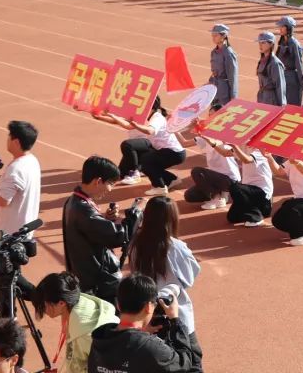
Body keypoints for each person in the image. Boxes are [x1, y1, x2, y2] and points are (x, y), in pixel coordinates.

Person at [127, 197, 203, 371]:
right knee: (192, 361)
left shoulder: (136, 245)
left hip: (149, 314)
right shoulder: (176, 246)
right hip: (176, 313)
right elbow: (190, 277)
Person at [61, 156, 136, 304]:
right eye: (110, 184)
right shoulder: (83, 209)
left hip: (86, 277)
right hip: (97, 284)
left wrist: (107, 220)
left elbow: (93, 231)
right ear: (98, 181)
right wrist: (135, 213)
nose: (110, 189)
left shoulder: (74, 201)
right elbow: (117, 236)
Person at [88, 273, 197, 373]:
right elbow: (184, 362)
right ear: (148, 307)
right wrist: (174, 320)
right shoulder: (151, 348)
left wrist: (138, 334)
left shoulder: (100, 339)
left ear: (118, 305)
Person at [0, 121, 41, 304]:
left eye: (9, 136)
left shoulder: (15, 169)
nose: (7, 139)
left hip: (5, 232)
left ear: (16, 141)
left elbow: (3, 201)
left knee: (2, 270)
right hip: (22, 228)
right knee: (5, 271)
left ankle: (38, 298)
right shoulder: (32, 160)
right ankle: (0, 304)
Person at [32, 272, 119, 373]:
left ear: (61, 303)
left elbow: (81, 368)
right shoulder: (77, 300)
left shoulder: (83, 333)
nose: (43, 310)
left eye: (44, 305)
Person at [97, 98, 186, 196]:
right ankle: (171, 179)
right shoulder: (148, 116)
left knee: (146, 161)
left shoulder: (157, 118)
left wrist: (136, 125)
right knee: (146, 161)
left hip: (173, 153)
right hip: (168, 151)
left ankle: (159, 187)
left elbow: (150, 131)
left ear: (151, 108)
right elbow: (127, 125)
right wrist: (106, 116)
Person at [275, 16, 303, 105]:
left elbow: (299, 64)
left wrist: (302, 83)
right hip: (282, 76)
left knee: (291, 104)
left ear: (288, 28)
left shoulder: (294, 44)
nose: (280, 28)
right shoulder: (282, 42)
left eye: (282, 26)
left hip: (291, 79)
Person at [207, 24, 238, 106]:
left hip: (224, 90)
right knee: (213, 110)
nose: (213, 38)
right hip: (214, 88)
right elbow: (214, 72)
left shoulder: (228, 53)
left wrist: (234, 96)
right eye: (212, 35)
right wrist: (209, 82)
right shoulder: (214, 52)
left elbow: (232, 76)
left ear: (223, 36)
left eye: (216, 35)